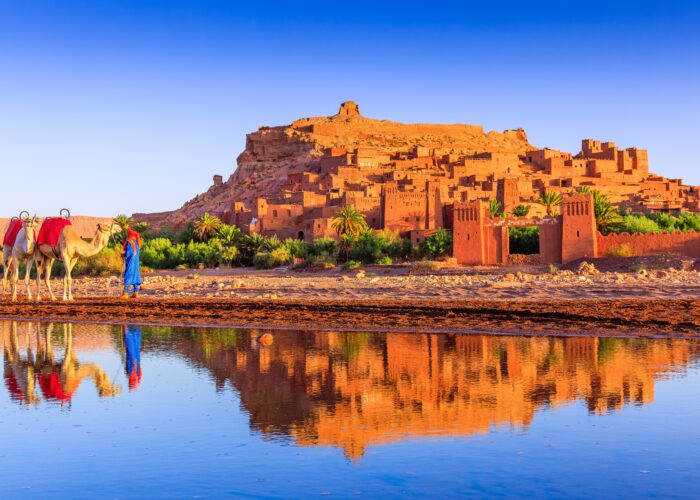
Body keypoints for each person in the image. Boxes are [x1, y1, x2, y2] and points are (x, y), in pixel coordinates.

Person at [121, 228, 142, 299]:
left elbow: (129, 253)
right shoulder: (136, 243)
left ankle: (126, 293)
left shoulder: (129, 242)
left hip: (131, 262)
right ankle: (136, 293)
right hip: (136, 263)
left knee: (128, 275)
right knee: (135, 276)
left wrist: (123, 254)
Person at [123, 325, 142, 391]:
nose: (132, 383)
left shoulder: (128, 374)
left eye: (131, 383)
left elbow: (126, 367)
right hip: (137, 359)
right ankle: (137, 323)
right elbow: (140, 373)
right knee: (136, 339)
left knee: (130, 341)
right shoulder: (137, 377)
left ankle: (125, 324)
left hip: (132, 359)